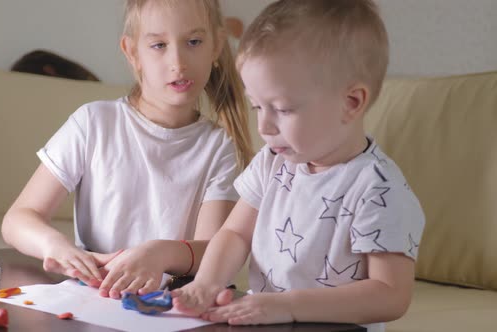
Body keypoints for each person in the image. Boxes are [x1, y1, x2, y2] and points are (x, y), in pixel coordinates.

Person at [172, 0, 426, 329]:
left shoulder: (378, 189)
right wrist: (206, 283)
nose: (264, 127)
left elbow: (391, 294)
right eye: (257, 107)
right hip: (265, 320)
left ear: (350, 103)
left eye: (283, 109)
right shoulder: (272, 162)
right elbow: (235, 233)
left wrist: (287, 306)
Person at [2, 0, 253, 300]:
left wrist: (159, 253)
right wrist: (56, 245)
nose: (178, 61)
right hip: (95, 298)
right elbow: (18, 219)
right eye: (159, 45)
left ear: (216, 47)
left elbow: (212, 251)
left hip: (171, 306)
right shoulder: (93, 123)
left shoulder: (219, 146)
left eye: (194, 42)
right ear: (132, 52)